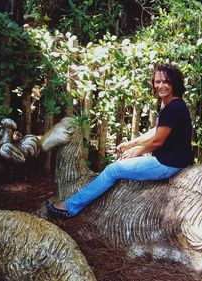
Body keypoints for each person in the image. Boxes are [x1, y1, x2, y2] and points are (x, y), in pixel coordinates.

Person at [46, 63, 193, 218]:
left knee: (113, 170)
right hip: (171, 161)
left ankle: (70, 207)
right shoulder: (173, 105)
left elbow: (157, 141)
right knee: (118, 167)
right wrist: (131, 143)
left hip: (168, 164)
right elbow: (156, 131)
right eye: (158, 81)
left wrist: (134, 152)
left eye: (166, 82)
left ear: (174, 83)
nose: (161, 85)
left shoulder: (173, 107)